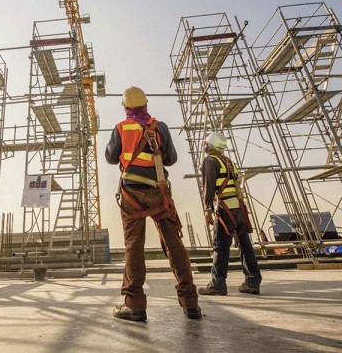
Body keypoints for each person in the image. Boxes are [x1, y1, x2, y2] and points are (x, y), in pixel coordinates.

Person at [105, 86, 200, 321]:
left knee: (134, 245)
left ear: (126, 107)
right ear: (145, 104)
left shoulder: (121, 128)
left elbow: (110, 158)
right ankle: (190, 303)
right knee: (174, 244)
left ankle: (135, 305)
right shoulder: (161, 127)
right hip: (159, 191)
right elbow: (172, 159)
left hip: (132, 194)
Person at [199, 132, 262, 295]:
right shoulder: (228, 161)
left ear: (211, 145)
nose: (205, 146)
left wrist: (207, 208)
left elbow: (209, 186)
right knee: (245, 245)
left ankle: (218, 284)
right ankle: (253, 281)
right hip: (239, 209)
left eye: (206, 143)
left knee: (220, 245)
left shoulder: (210, 161)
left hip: (226, 209)